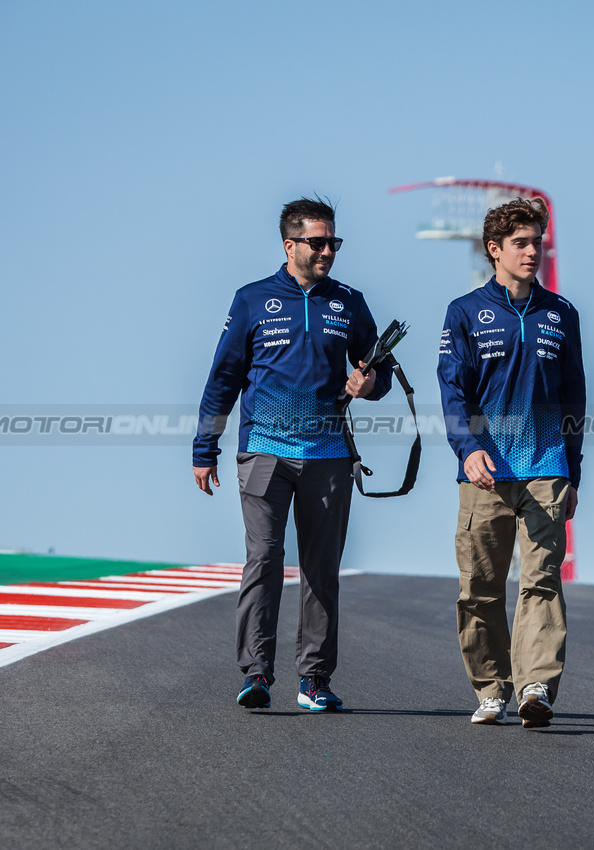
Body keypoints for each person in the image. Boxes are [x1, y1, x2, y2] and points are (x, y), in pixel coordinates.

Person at [193, 197, 392, 712]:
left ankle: (314, 680)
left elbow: (380, 376)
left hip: (328, 455)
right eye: (318, 242)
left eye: (334, 242)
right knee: (263, 557)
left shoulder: (349, 302)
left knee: (321, 568)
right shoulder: (253, 299)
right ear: (290, 245)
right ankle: (256, 674)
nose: (328, 251)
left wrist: (367, 383)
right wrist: (204, 448)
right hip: (263, 451)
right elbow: (223, 379)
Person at [436, 197, 585, 728]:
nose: (532, 252)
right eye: (520, 243)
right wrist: (468, 448)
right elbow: (452, 392)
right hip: (484, 471)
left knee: (542, 578)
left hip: (546, 469)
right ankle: (492, 688)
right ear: (494, 250)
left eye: (537, 242)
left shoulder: (560, 314)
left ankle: (535, 685)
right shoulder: (464, 312)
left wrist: (573, 469)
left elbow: (574, 398)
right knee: (479, 587)